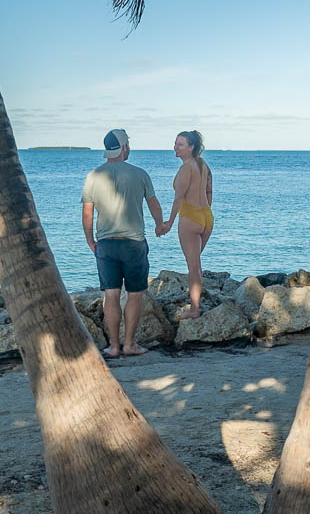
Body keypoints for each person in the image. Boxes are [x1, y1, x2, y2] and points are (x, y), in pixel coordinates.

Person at [82, 128, 165, 358]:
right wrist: (160, 225)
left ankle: (114, 347)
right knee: (135, 294)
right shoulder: (140, 174)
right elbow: (154, 205)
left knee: (111, 294)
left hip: (106, 244)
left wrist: (91, 241)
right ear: (125, 148)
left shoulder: (93, 176)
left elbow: (87, 213)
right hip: (133, 244)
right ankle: (130, 344)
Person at [158, 130, 213, 320]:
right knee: (196, 265)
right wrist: (205, 212)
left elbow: (178, 199)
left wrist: (169, 223)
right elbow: (209, 191)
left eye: (180, 144)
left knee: (193, 266)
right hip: (206, 216)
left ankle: (194, 309)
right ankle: (195, 304)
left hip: (190, 217)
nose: (175, 147)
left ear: (191, 147)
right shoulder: (203, 165)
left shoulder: (186, 168)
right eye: (175, 143)